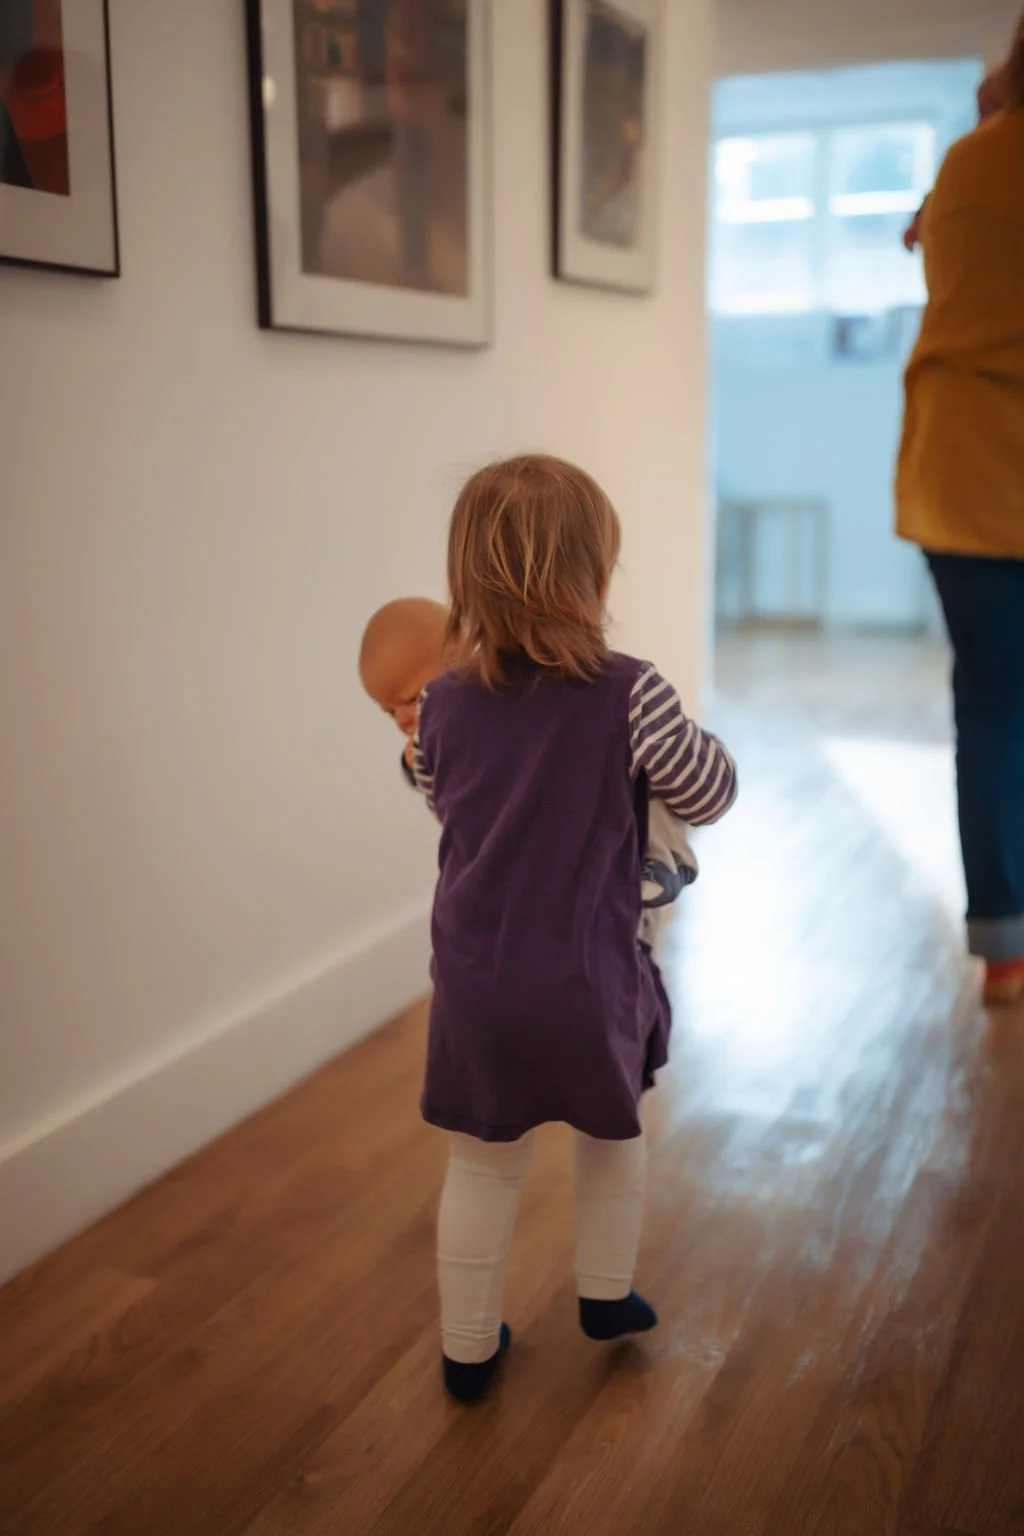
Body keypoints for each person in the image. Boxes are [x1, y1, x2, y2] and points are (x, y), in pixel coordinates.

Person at [391, 455, 737, 1402]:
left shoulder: (442, 704)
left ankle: (467, 1347)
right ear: (594, 579)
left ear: (467, 580)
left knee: (482, 1163)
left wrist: (416, 745)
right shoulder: (632, 691)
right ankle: (605, 1294)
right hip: (587, 976)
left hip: (474, 983)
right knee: (610, 1138)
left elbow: (443, 800)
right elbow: (710, 794)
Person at [895, 14, 1024, 1005]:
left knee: (988, 704)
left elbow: (937, 249)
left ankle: (1002, 950)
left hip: (959, 469)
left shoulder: (964, 166)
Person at [360, 597, 700, 944]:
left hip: (611, 808)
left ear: (460, 657)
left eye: (414, 699)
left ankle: (665, 862)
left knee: (647, 790)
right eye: (390, 712)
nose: (403, 719)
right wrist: (414, 762)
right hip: (548, 869)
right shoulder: (435, 742)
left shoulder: (503, 691)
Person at [902, 66, 1006, 253]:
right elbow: (946, 191)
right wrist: (920, 219)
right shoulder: (971, 155)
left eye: (992, 108)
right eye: (981, 111)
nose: (980, 122)